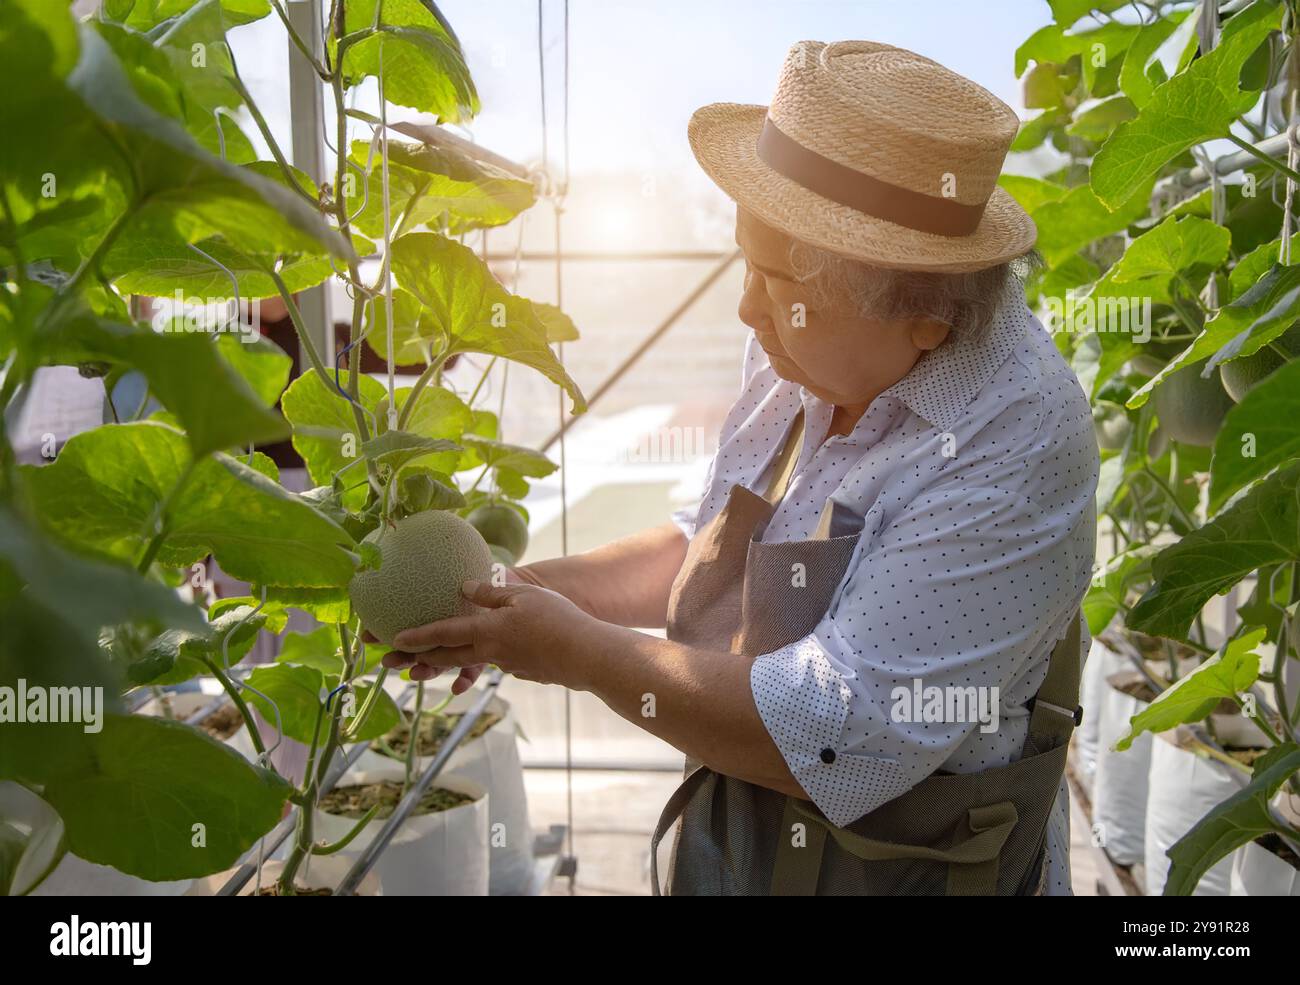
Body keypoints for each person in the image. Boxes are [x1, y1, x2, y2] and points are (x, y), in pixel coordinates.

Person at [374, 40, 1099, 895]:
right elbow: (710, 543)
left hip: (910, 865)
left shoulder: (1019, 437)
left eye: (784, 282)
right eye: (746, 262)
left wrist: (575, 651)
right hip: (757, 840)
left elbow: (838, 730)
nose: (749, 307)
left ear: (926, 318)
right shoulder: (802, 344)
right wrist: (512, 598)